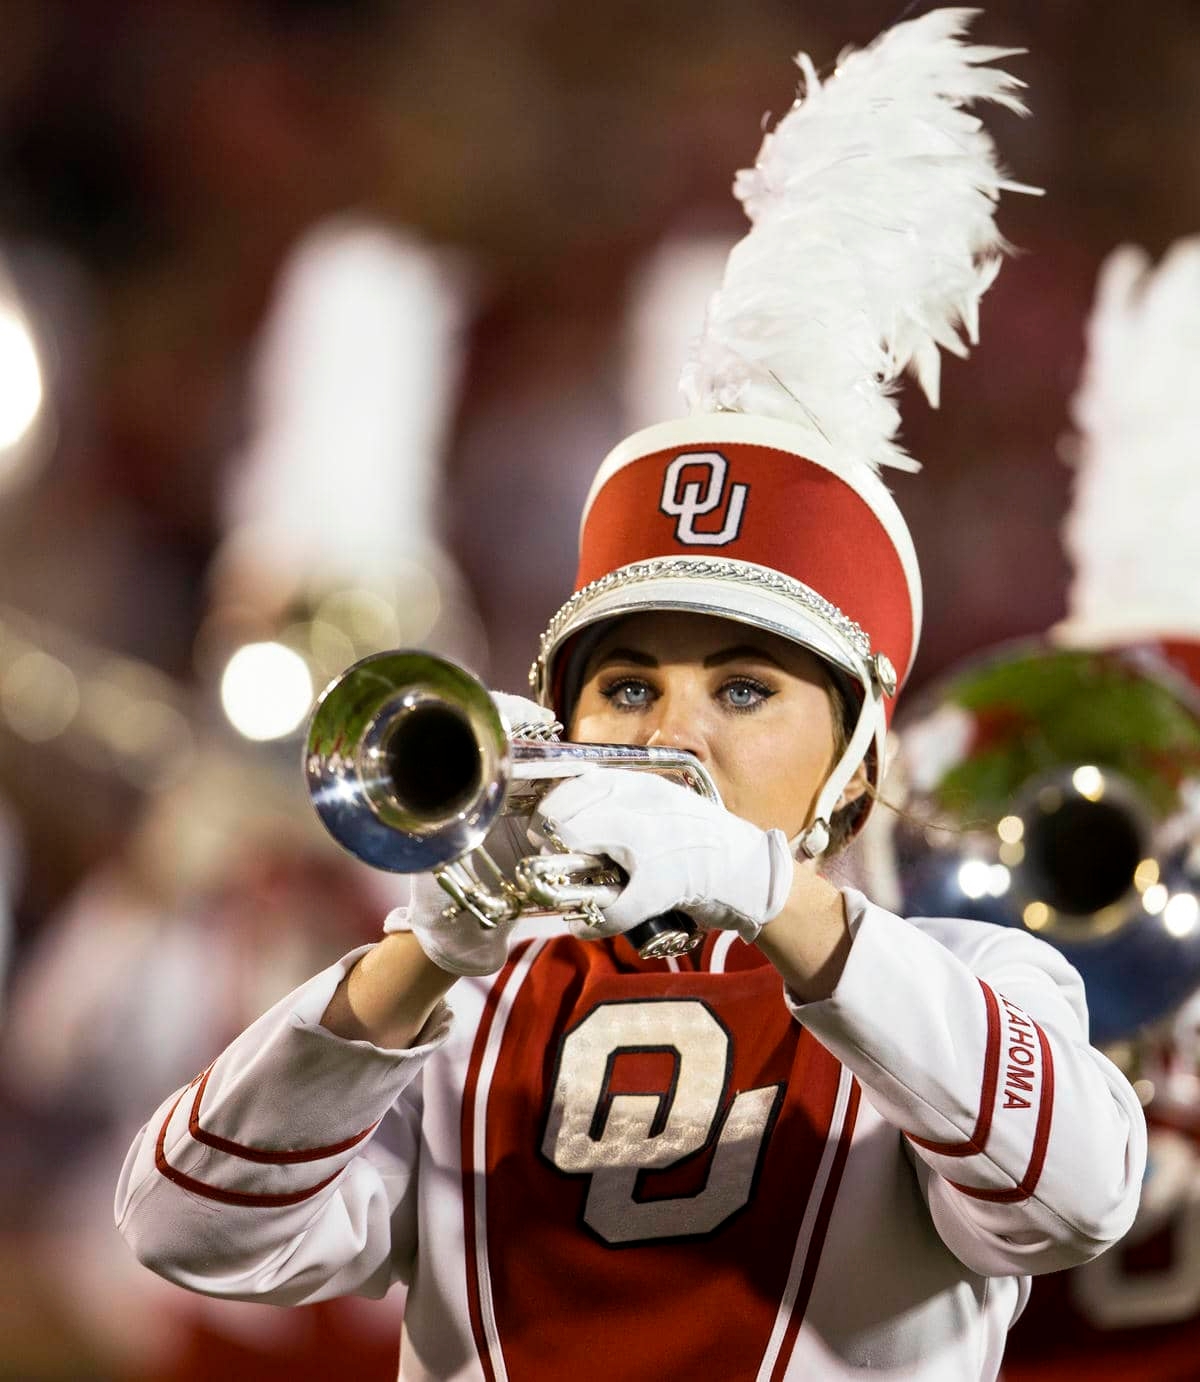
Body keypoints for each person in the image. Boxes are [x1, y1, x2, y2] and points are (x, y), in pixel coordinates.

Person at [115, 12, 1146, 1381]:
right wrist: (425, 951)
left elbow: (1078, 1191)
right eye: (625, 682)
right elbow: (188, 1225)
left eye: (743, 685)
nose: (672, 728)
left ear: (856, 761)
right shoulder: (468, 1002)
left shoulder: (968, 982)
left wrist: (761, 889)